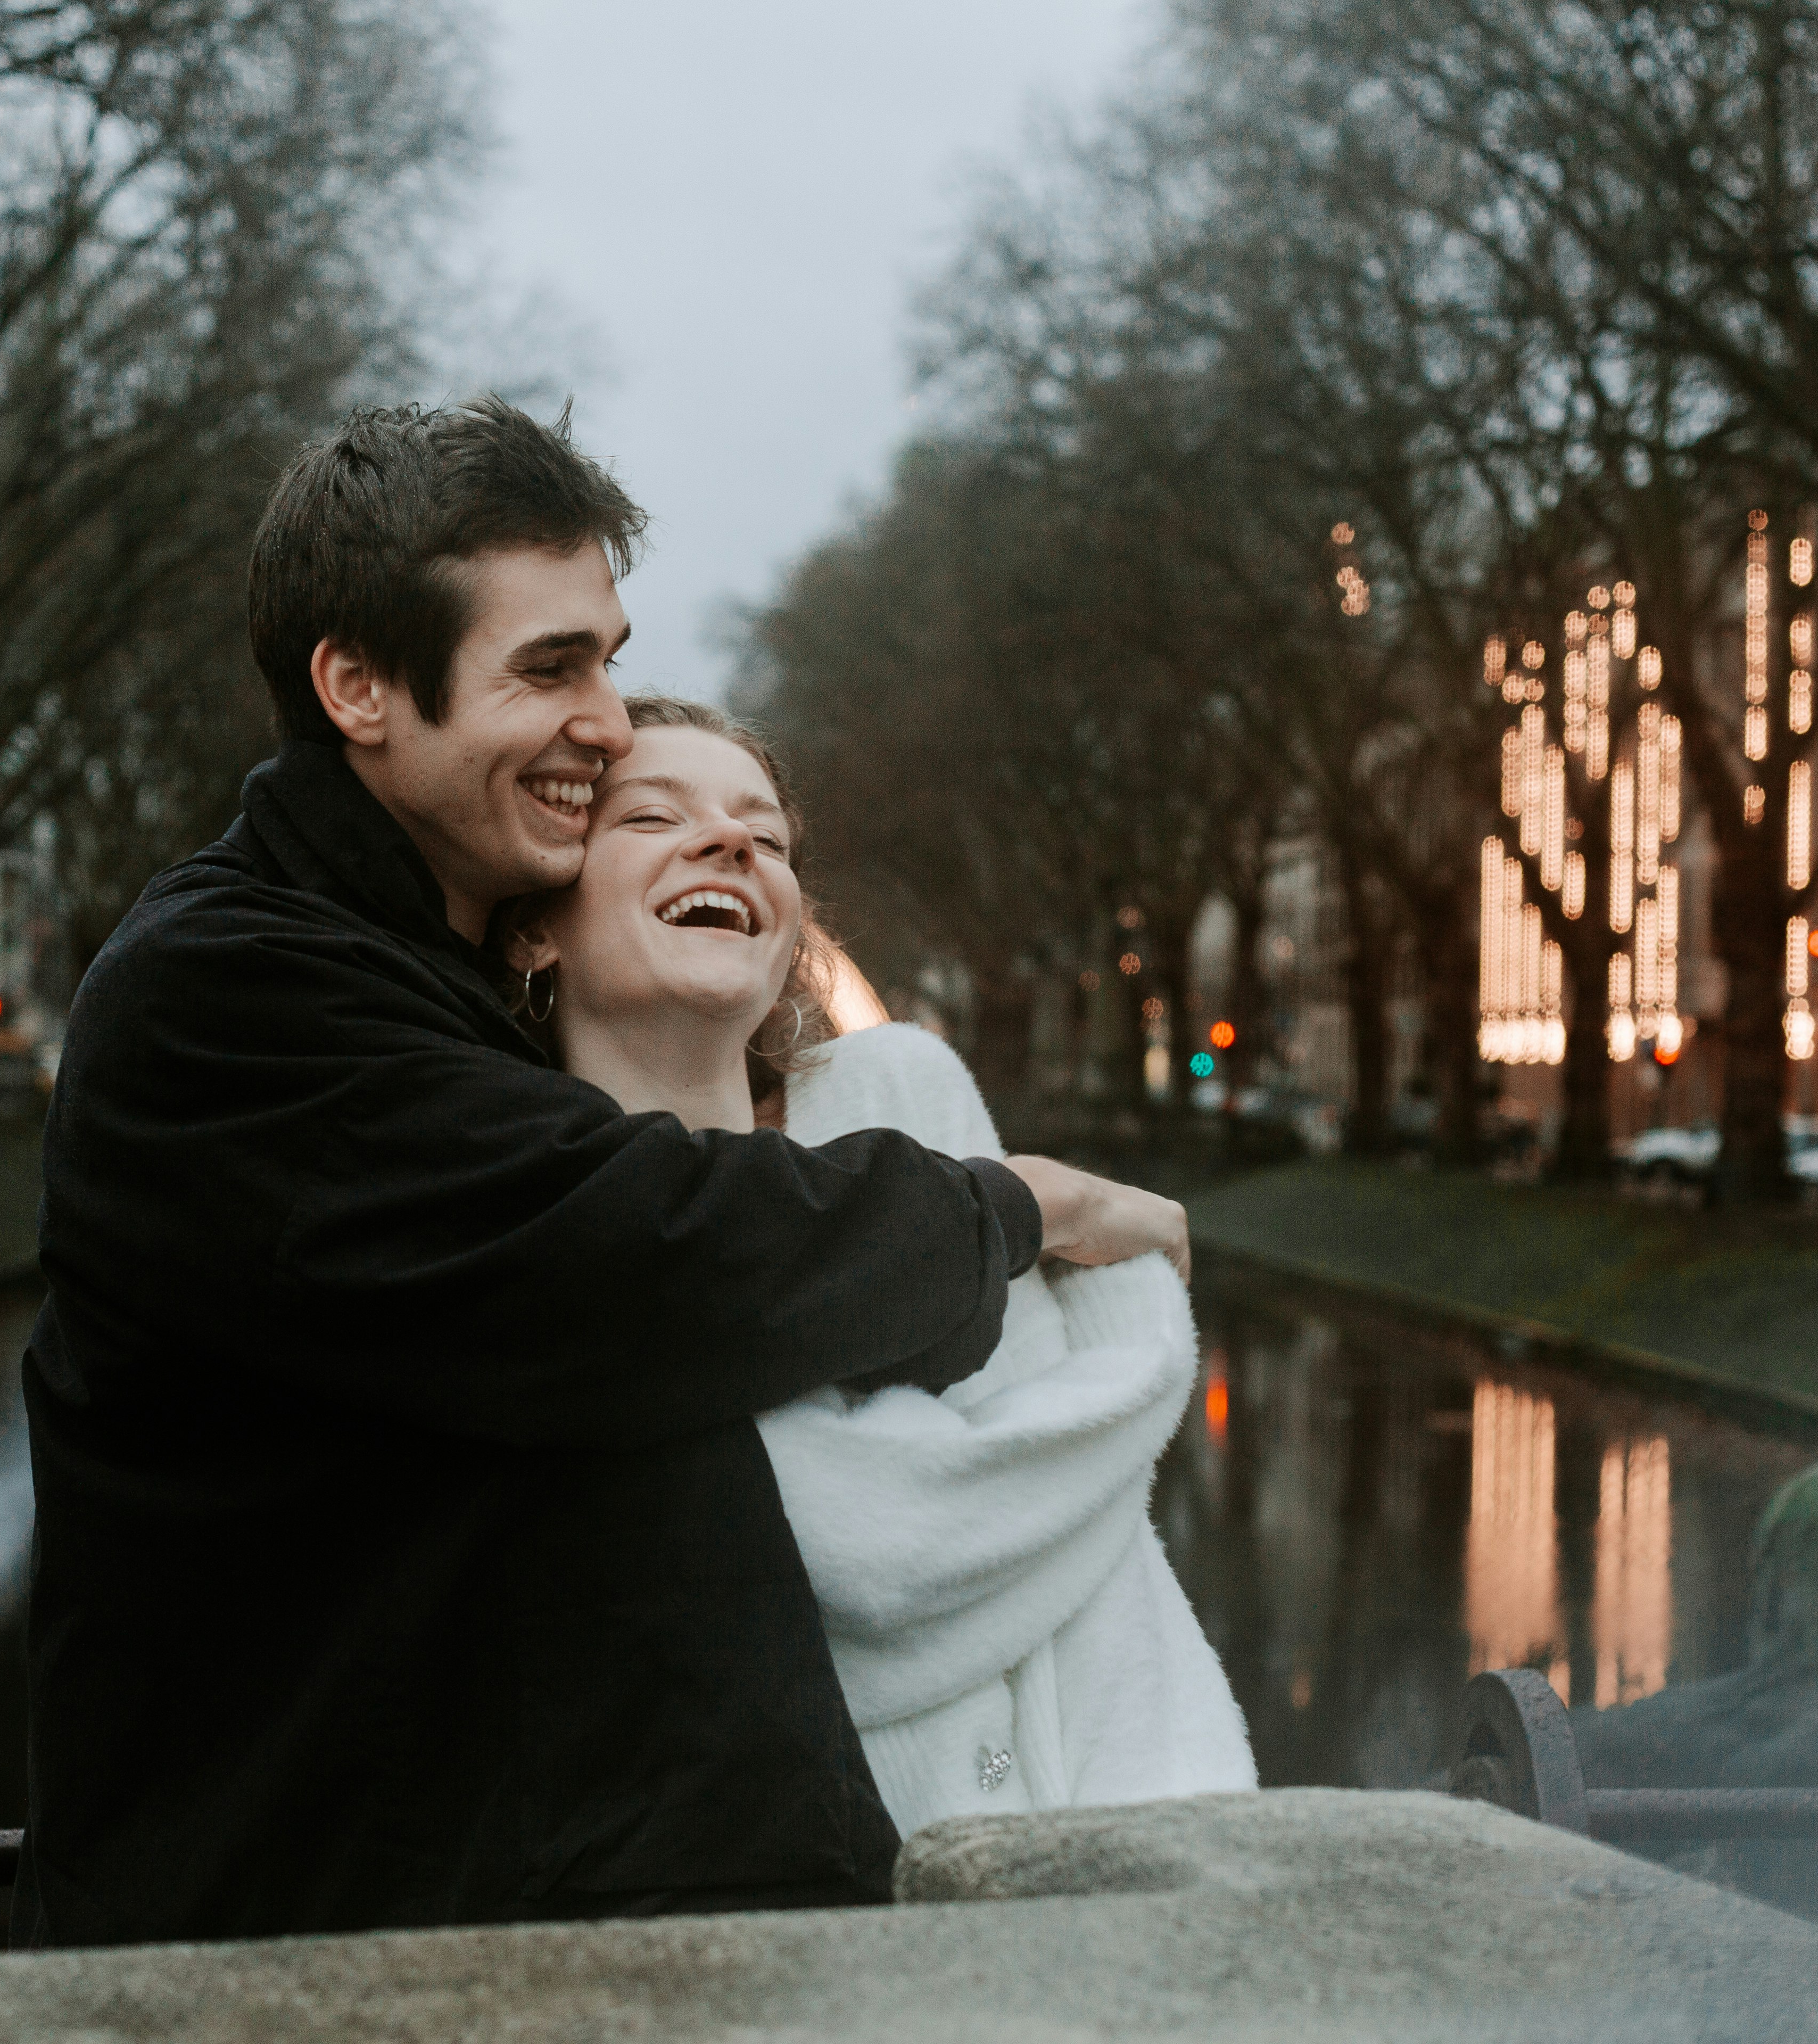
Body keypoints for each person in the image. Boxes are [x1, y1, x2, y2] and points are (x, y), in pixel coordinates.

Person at [15, 398, 1187, 1946]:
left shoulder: (411, 975)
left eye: (612, 659)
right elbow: (642, 1254)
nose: (611, 721)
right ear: (359, 685)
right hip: (326, 1962)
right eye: (550, 668)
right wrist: (1023, 1208)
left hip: (521, 1943)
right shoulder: (227, 989)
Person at [498, 697, 1252, 1839]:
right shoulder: (503, 1225)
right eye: (654, 816)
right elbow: (925, 1535)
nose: (730, 844)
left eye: (769, 835)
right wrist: (1047, 1210)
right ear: (533, 928)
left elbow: (1114, 1608)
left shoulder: (901, 1100)